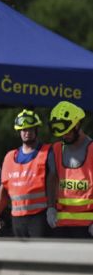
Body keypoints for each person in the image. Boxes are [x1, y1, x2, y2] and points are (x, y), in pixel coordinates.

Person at [0, 109, 52, 238]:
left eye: (30, 129)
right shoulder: (9, 156)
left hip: (40, 216)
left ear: (36, 130)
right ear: (19, 132)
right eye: (23, 130)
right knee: (20, 255)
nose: (26, 133)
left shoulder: (47, 153)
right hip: (17, 218)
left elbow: (54, 181)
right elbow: (4, 188)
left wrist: (52, 209)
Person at [46, 101, 92, 238]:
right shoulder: (56, 149)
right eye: (61, 133)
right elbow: (52, 178)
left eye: (67, 132)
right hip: (61, 224)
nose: (64, 136)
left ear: (77, 125)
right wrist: (51, 207)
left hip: (87, 226)